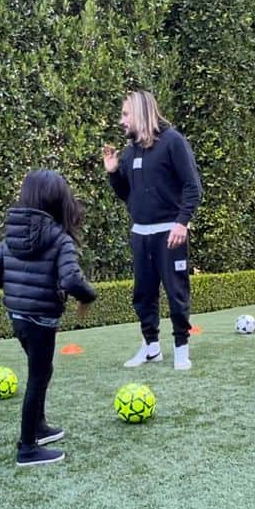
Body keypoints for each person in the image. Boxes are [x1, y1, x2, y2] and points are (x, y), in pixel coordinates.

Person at [0, 170, 97, 467]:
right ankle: (28, 448)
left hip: (17, 316)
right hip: (42, 320)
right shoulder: (60, 239)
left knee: (41, 372)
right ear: (60, 201)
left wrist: (18, 291)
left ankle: (39, 427)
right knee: (38, 376)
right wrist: (88, 296)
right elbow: (71, 280)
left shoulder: (12, 236)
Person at [102, 90, 202, 371]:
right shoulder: (131, 150)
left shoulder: (173, 142)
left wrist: (182, 222)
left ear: (141, 113)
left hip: (170, 232)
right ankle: (151, 349)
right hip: (140, 234)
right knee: (143, 294)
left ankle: (181, 349)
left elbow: (193, 187)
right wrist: (113, 173)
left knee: (176, 292)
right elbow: (127, 194)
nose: (121, 120)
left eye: (125, 114)